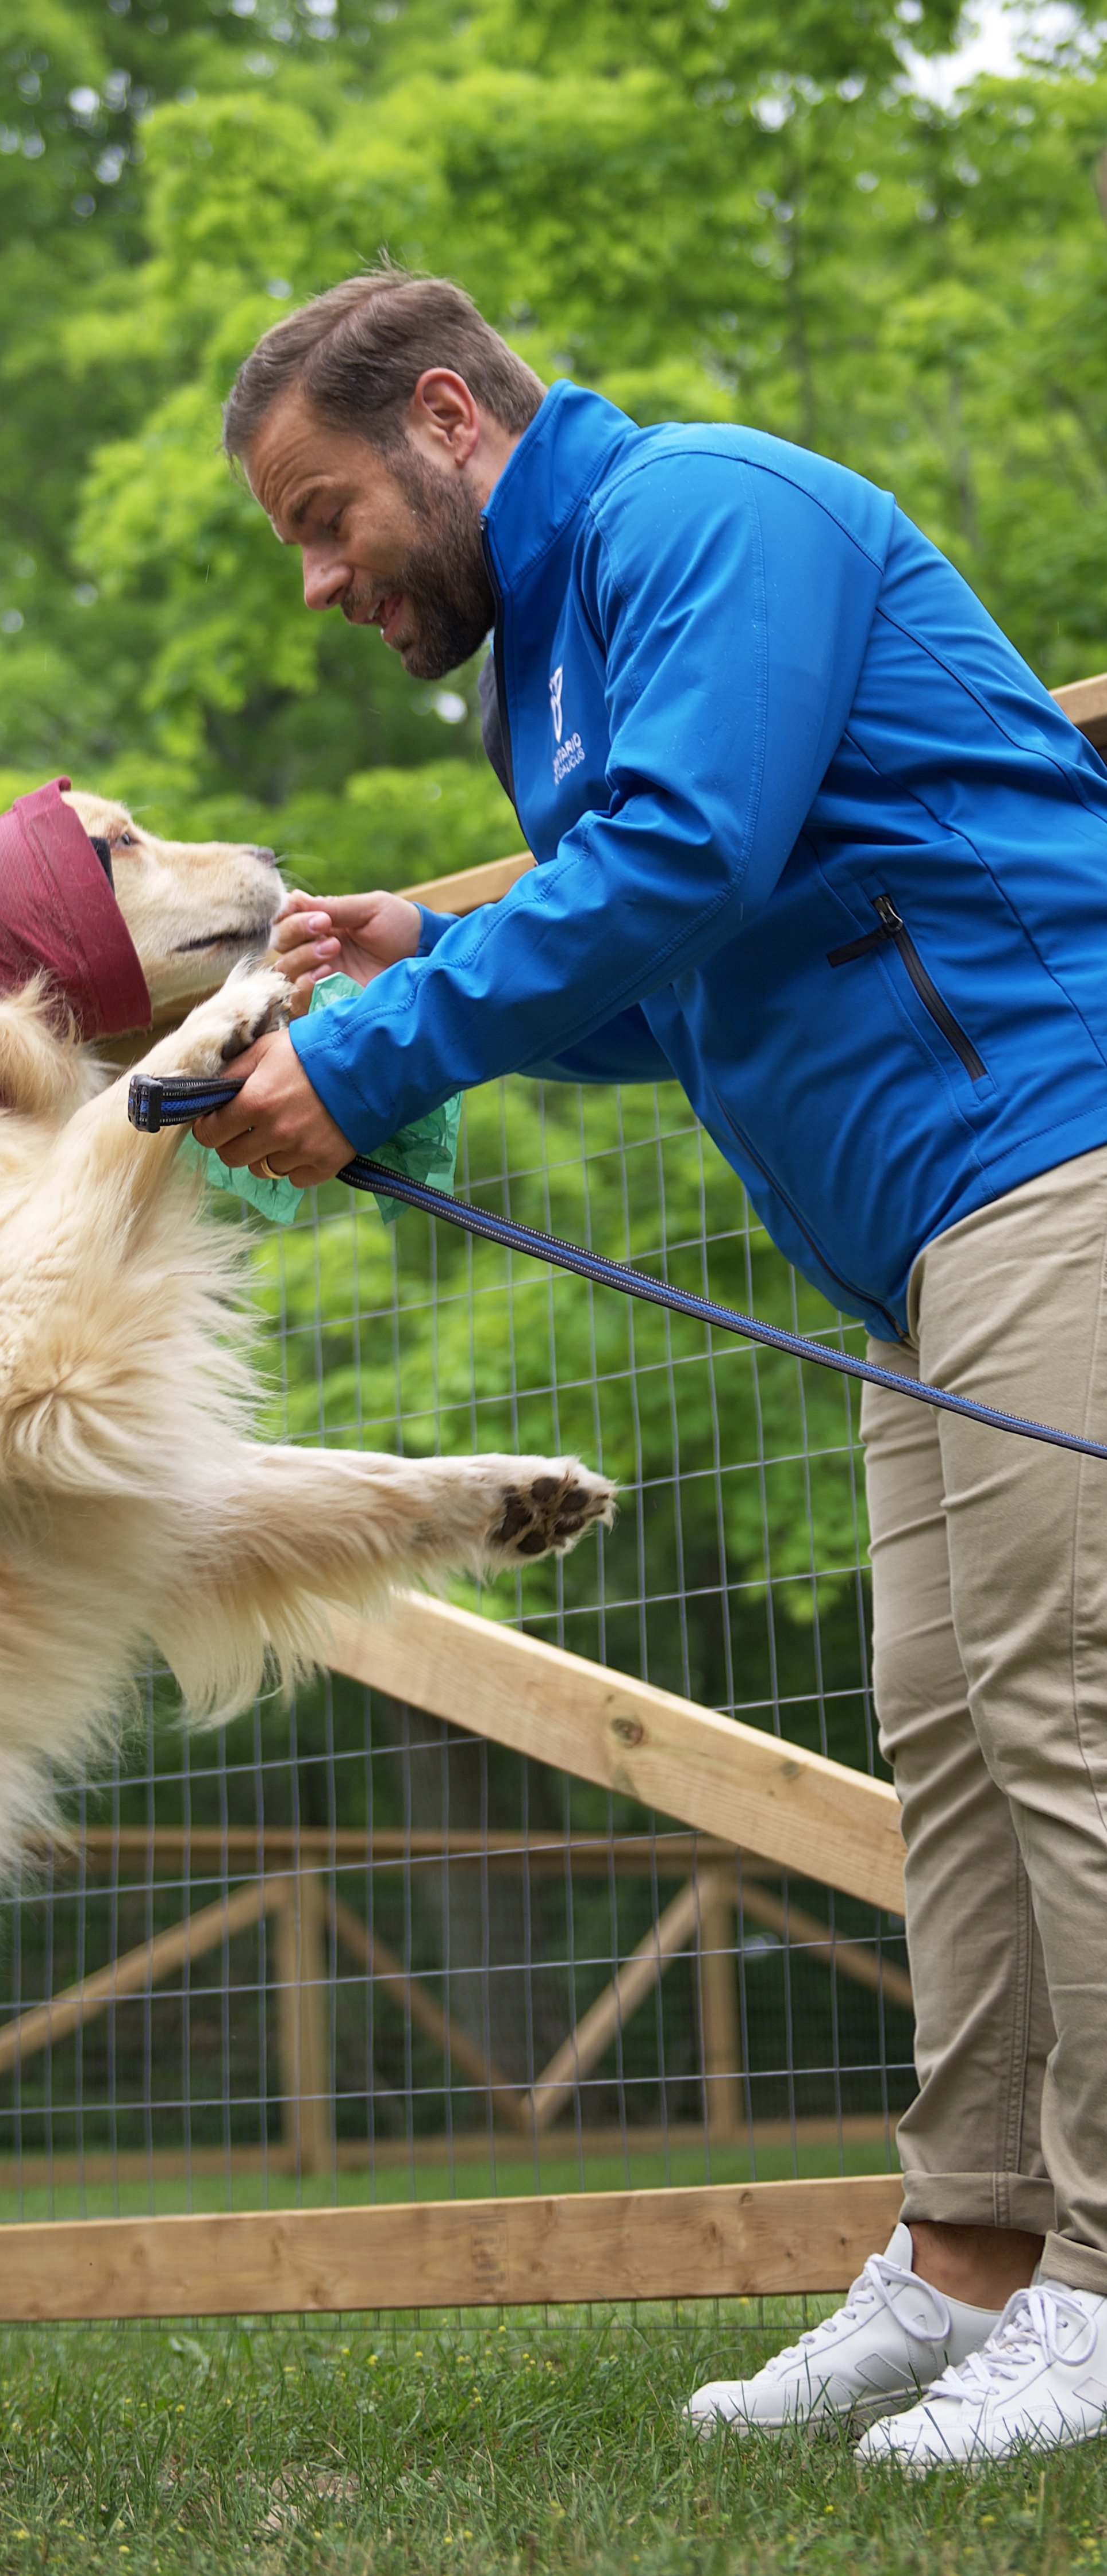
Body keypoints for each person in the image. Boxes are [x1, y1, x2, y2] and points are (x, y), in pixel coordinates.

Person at [193, 263, 1107, 2467]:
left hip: (1064, 1135)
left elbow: (684, 852)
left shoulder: (707, 515)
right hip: (923, 1238)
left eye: (325, 518)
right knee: (962, 1736)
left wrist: (390, 1036)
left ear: (446, 417)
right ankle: (969, 2262)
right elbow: (680, 979)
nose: (320, 581)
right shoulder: (558, 670)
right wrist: (433, 961)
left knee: (1074, 1712)